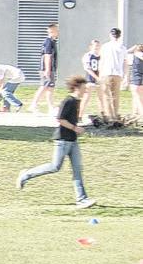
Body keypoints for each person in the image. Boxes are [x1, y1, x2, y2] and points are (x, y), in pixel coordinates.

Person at [16, 76, 95, 208]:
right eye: (83, 87)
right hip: (62, 140)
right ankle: (26, 174)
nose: (85, 90)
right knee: (55, 167)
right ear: (76, 87)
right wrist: (75, 128)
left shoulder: (76, 101)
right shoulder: (68, 101)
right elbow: (60, 119)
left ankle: (81, 199)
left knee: (77, 170)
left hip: (73, 140)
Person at [28, 23, 59, 114]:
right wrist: (47, 69)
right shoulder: (48, 41)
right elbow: (47, 55)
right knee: (44, 86)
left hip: (51, 69)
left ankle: (51, 107)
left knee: (50, 88)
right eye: (57, 30)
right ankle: (33, 105)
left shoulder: (53, 41)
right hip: (47, 69)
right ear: (52, 31)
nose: (58, 32)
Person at [100, 28, 126, 121]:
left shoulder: (105, 46)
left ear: (110, 35)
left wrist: (100, 73)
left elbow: (102, 60)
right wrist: (125, 75)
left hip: (107, 72)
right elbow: (125, 62)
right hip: (118, 74)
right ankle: (115, 114)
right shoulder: (122, 47)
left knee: (107, 95)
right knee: (116, 96)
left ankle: (109, 116)